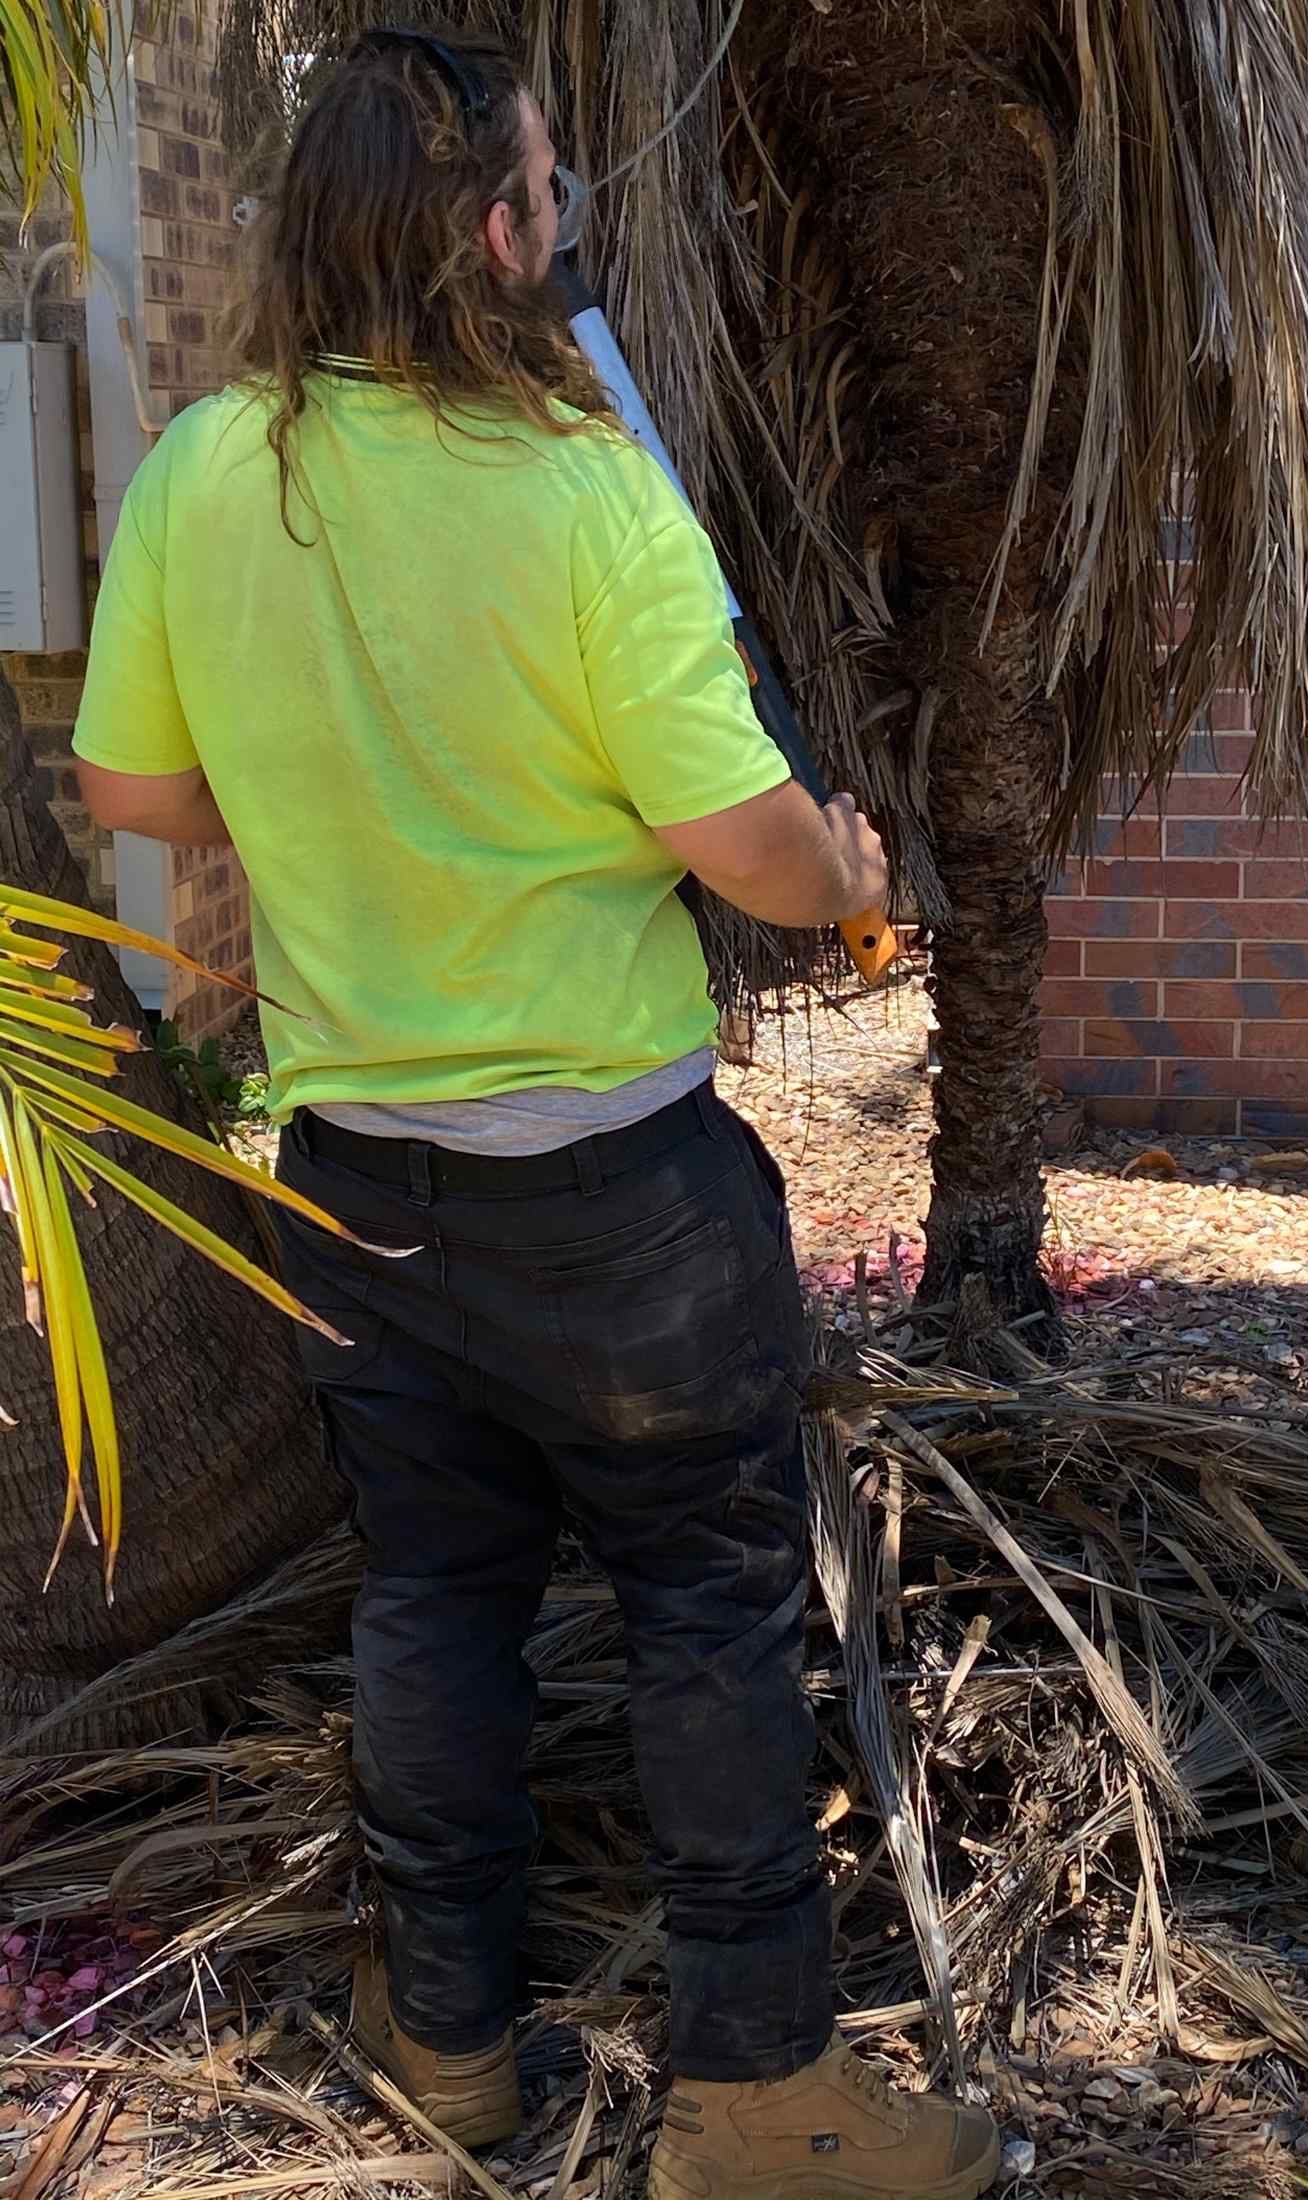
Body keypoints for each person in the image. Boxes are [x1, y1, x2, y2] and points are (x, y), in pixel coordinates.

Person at [71, 27, 999, 2200]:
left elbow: (128, 789)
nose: (566, 213)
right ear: (491, 231)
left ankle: (455, 2032)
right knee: (702, 1601)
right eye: (549, 188)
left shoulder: (209, 472)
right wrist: (851, 867)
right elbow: (739, 839)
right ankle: (757, 2090)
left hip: (359, 1188)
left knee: (433, 1598)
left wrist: (335, 797)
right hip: (617, 1199)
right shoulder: (589, 490)